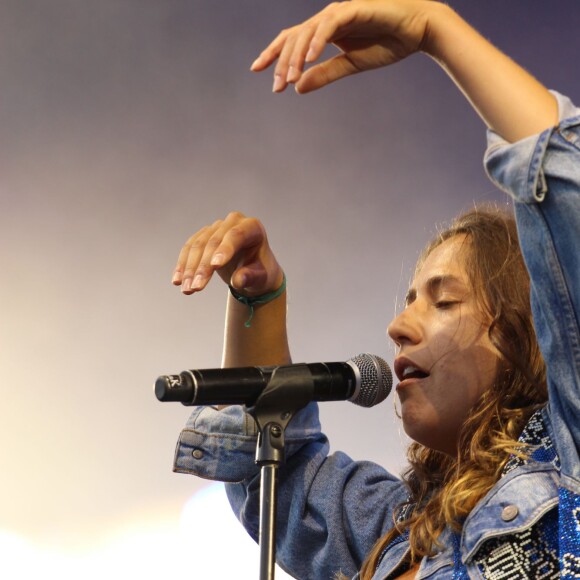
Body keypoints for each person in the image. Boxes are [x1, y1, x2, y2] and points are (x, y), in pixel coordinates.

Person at [170, 1, 580, 578]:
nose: (398, 326)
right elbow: (279, 480)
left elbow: (564, 190)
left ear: (522, 334)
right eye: (410, 300)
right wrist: (257, 300)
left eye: (444, 300)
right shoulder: (399, 529)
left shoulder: (569, 472)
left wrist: (438, 29)